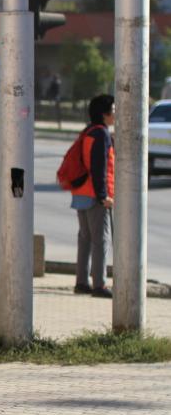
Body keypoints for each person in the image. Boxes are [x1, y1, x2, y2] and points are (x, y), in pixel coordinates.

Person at [72, 94, 115, 298]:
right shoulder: (102, 134)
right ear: (104, 114)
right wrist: (103, 195)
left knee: (85, 239)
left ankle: (81, 282)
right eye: (113, 110)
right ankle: (99, 285)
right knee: (100, 240)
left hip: (81, 192)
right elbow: (99, 167)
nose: (116, 113)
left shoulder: (87, 131)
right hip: (94, 195)